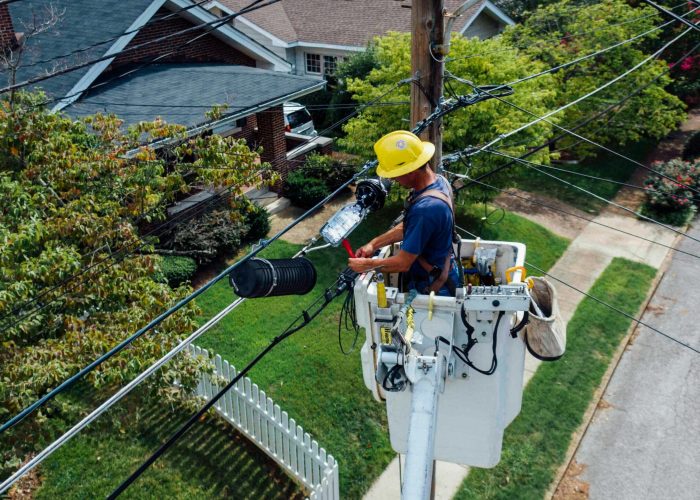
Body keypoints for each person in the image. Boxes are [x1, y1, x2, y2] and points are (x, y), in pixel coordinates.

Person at [348, 130, 459, 296]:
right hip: (441, 272)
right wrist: (374, 244)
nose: (393, 180)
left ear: (410, 171)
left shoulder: (426, 209)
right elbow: (409, 227)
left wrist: (366, 265)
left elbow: (402, 263)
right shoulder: (438, 182)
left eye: (395, 175)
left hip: (433, 287)